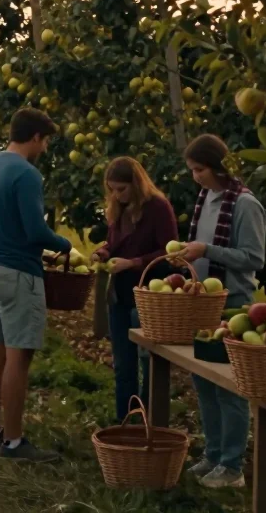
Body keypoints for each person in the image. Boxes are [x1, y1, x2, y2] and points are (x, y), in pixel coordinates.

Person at [0, 108, 70, 463]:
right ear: (36, 138)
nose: (43, 149)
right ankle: (14, 442)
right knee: (19, 357)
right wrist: (64, 245)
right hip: (18, 273)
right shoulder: (26, 174)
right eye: (45, 142)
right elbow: (35, 231)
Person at [179, 134, 266, 489]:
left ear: (216, 166)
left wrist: (208, 250)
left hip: (233, 304)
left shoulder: (245, 205)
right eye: (192, 170)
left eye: (199, 169)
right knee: (204, 381)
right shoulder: (207, 198)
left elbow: (253, 257)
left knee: (230, 387)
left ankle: (233, 467)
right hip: (203, 302)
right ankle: (213, 454)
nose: (196, 176)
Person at [91, 157, 177, 422]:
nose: (117, 195)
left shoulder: (158, 208)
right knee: (123, 366)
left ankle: (150, 422)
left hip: (148, 296)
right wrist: (104, 251)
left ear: (136, 184)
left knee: (149, 364)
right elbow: (114, 242)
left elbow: (170, 252)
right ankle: (125, 423)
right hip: (120, 295)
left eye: (122, 189)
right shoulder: (118, 209)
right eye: (113, 190)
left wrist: (133, 263)